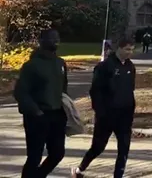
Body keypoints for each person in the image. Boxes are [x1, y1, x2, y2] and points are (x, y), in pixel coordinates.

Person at [72, 37, 136, 178]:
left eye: (131, 50)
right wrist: (100, 112)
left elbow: (131, 89)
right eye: (127, 49)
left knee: (124, 149)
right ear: (119, 48)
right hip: (107, 115)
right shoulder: (105, 66)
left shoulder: (130, 67)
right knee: (98, 147)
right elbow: (95, 91)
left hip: (124, 115)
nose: (129, 53)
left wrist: (131, 109)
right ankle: (80, 169)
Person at [14, 29, 68, 178]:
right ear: (42, 41)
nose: (56, 41)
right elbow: (20, 92)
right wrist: (36, 112)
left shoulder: (60, 63)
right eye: (52, 38)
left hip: (57, 115)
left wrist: (67, 111)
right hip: (36, 116)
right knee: (34, 157)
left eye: (57, 38)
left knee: (58, 153)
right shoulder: (31, 65)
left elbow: (63, 90)